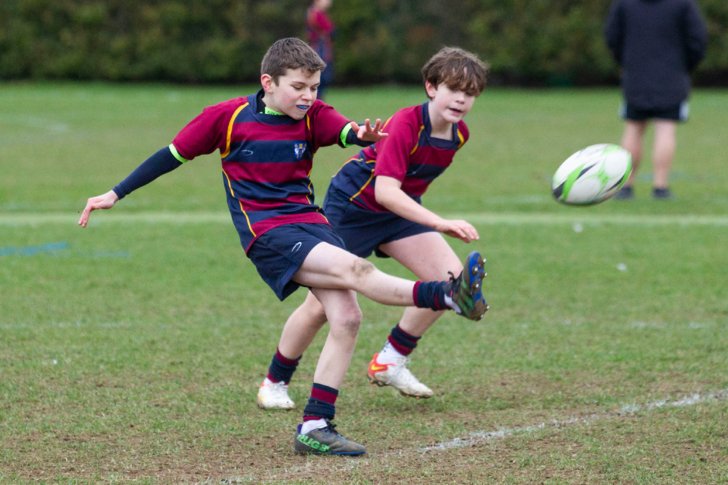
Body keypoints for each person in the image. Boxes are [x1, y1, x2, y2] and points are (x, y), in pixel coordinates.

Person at [78, 38, 488, 456]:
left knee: (346, 316)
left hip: (310, 222)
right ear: (268, 82)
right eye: (298, 87)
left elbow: (346, 131)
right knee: (357, 273)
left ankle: (315, 425)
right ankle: (447, 294)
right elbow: (170, 155)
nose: (308, 97)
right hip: (267, 233)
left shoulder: (313, 115)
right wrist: (116, 192)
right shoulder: (227, 117)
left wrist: (361, 134)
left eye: (313, 87)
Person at [256, 46, 489, 409]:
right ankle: (275, 381)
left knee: (454, 281)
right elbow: (385, 190)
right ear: (431, 87)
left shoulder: (458, 135)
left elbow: (401, 193)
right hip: (351, 209)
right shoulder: (406, 124)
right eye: (453, 89)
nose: (460, 99)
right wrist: (440, 223)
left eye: (470, 93)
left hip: (396, 214)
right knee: (320, 307)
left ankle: (391, 360)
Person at [604, 0, 707, 200]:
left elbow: (612, 36)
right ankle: (660, 186)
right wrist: (685, 65)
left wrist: (626, 61)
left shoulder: (624, 3)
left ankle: (626, 186)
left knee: (633, 129)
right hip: (672, 77)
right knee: (666, 129)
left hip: (635, 77)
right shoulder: (682, 4)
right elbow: (698, 39)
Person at [306, 0, 335, 100]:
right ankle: (317, 104)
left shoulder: (315, 13)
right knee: (321, 78)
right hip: (320, 49)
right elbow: (331, 30)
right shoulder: (316, 14)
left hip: (320, 49)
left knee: (322, 79)